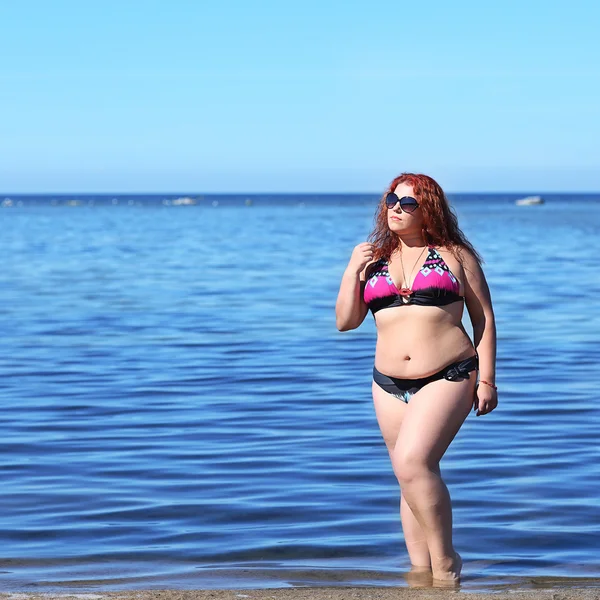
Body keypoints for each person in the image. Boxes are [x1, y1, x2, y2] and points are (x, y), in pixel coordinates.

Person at [335, 173, 497, 585]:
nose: (395, 208)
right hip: (387, 383)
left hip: (449, 374)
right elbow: (345, 322)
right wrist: (353, 270)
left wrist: (487, 380)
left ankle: (445, 563)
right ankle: (420, 573)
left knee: (412, 463)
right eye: (391, 200)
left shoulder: (456, 255)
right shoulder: (372, 259)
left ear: (428, 210)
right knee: (409, 474)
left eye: (407, 203)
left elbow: (485, 320)